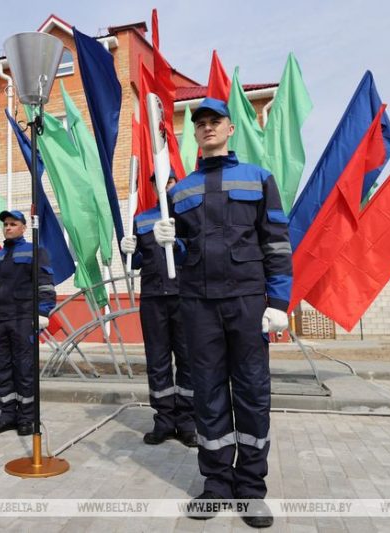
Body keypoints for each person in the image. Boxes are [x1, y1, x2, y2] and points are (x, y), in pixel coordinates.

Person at [154, 98, 292, 528]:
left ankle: (250, 489)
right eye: (201, 124)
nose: (208, 127)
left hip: (247, 301)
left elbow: (276, 242)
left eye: (215, 121)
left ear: (231, 129)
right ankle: (216, 484)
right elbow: (181, 253)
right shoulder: (180, 191)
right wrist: (167, 241)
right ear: (195, 133)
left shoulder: (259, 178)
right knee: (208, 394)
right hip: (198, 304)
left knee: (252, 392)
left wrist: (278, 302)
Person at [120, 171, 197, 448]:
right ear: (152, 187)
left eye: (169, 181)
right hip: (154, 298)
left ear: (177, 183)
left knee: (188, 360)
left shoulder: (189, 215)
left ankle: (188, 422)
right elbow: (136, 261)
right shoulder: (141, 219)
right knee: (157, 361)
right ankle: (164, 421)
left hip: (185, 296)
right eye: (158, 182)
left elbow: (199, 250)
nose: (164, 186)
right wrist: (128, 250)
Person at [0, 210, 55, 436]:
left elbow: (45, 284)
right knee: (1, 369)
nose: (8, 227)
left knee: (24, 368)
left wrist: (43, 312)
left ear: (24, 227)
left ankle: (27, 418)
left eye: (13, 224)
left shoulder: (35, 251)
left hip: (23, 318)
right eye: (5, 224)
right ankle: (7, 416)